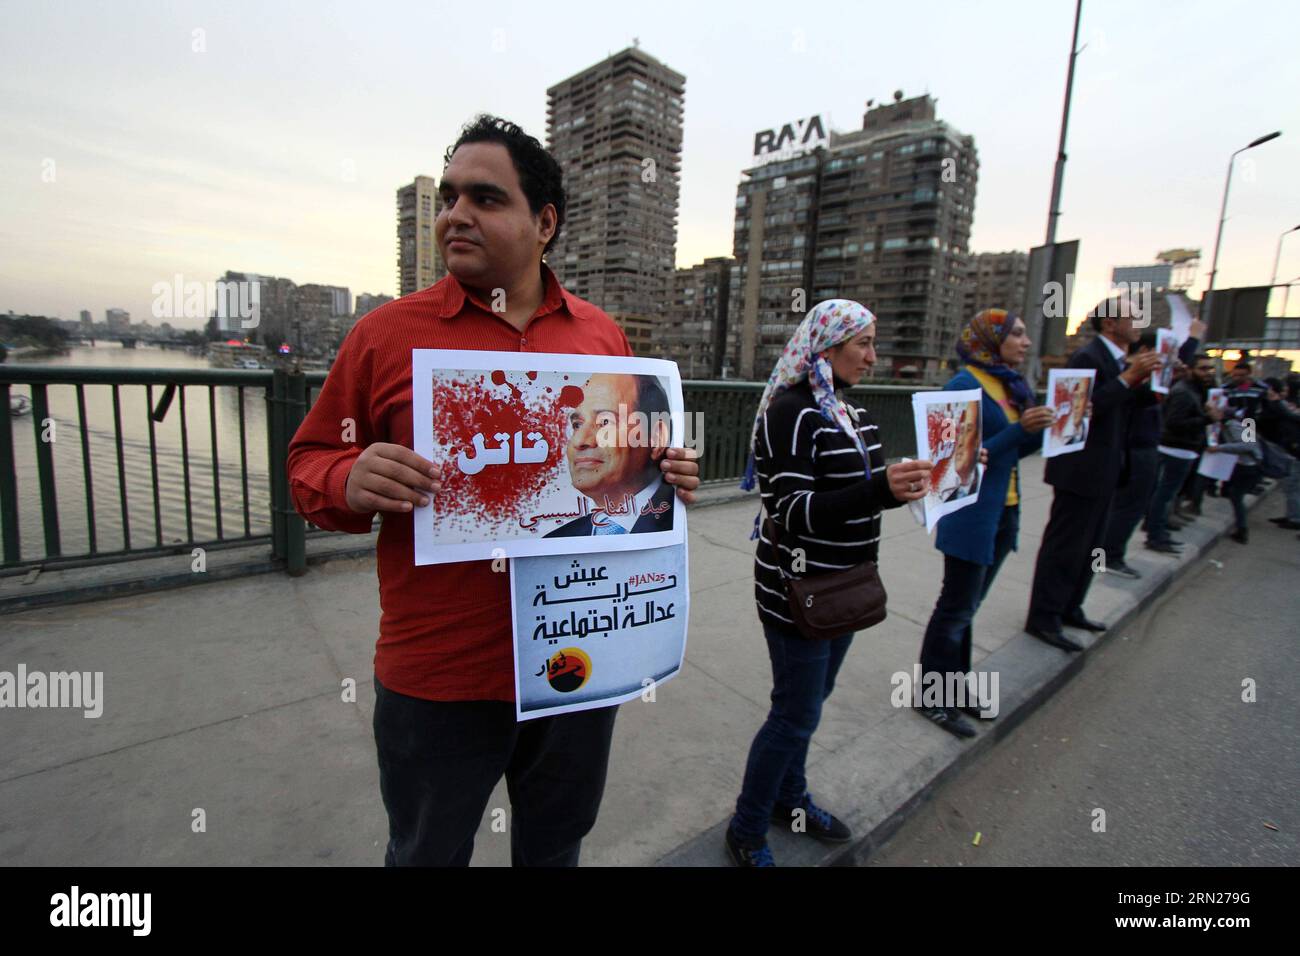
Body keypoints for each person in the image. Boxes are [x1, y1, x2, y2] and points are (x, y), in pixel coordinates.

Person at [286, 115, 700, 867]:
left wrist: (665, 476)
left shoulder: (602, 337)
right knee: (425, 853)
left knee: (555, 844)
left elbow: (632, 465)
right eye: (448, 197)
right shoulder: (384, 335)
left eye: (484, 197)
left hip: (581, 656)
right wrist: (349, 478)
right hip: (440, 675)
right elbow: (308, 462)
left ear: (544, 223)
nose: (455, 215)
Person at [724, 299, 931, 867]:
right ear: (828, 346)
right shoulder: (791, 411)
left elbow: (870, 488)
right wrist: (882, 489)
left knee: (811, 704)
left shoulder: (851, 411)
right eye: (862, 343)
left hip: (847, 587)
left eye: (873, 342)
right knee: (794, 713)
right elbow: (791, 510)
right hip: (798, 590)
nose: (872, 355)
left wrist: (936, 472)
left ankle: (788, 799)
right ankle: (746, 828)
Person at [917, 310, 1054, 739]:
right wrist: (1019, 432)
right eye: (1016, 333)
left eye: (1025, 334)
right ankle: (931, 697)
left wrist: (1038, 430)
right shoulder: (962, 386)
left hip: (1003, 509)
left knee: (968, 608)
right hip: (969, 513)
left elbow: (1017, 451)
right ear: (989, 340)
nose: (1025, 342)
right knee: (955, 608)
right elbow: (953, 461)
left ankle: (954, 688)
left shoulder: (1011, 385)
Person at [1025, 295, 1161, 651]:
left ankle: (1071, 608)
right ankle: (1044, 617)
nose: (1139, 323)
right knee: (1066, 547)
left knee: (1090, 548)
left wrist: (1144, 378)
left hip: (1106, 469)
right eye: (1132, 316)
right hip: (1079, 472)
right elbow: (1076, 411)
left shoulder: (1119, 361)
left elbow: (1136, 405)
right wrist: (1128, 378)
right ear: (1110, 324)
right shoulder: (1087, 357)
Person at [546, 372, 675, 536]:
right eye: (577, 425)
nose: (579, 441)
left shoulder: (679, 517)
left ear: (656, 438)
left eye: (605, 422)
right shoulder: (558, 539)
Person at [1144, 353, 1222, 554]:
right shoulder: (1183, 392)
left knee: (1168, 494)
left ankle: (1159, 531)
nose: (1207, 373)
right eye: (1202, 369)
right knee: (1163, 495)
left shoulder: (1194, 391)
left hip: (1184, 449)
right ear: (1190, 369)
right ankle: (1155, 534)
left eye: (1209, 369)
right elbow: (1173, 423)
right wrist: (1206, 419)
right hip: (1174, 449)